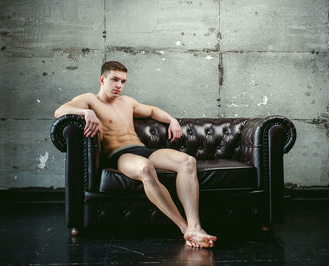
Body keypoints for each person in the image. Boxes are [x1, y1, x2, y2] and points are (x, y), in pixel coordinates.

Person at [54, 61, 217, 248]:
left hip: (143, 150)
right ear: (102, 79)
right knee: (145, 169)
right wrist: (85, 112)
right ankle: (184, 228)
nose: (119, 85)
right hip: (120, 155)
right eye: (114, 80)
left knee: (188, 161)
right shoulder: (90, 100)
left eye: (123, 81)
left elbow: (153, 111)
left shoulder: (127, 102)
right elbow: (60, 111)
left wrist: (172, 120)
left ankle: (195, 226)